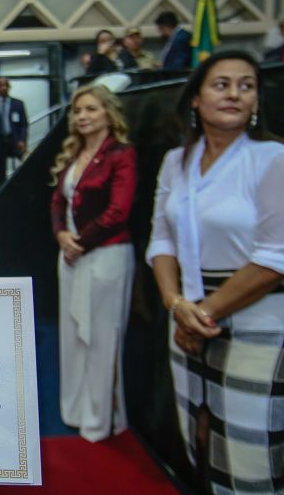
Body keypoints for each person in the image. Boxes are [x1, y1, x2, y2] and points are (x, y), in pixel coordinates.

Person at [146, 50, 284, 494]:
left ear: (257, 100)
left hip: (253, 315)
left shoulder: (272, 158)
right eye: (221, 84)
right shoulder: (175, 162)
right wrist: (177, 305)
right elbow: (161, 241)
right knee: (200, 437)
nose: (235, 93)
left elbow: (274, 259)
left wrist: (201, 313)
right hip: (188, 309)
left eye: (246, 85)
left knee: (251, 451)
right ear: (196, 99)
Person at [49, 84, 137, 443]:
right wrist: (61, 238)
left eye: (91, 110)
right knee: (72, 336)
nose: (82, 116)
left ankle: (100, 420)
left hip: (106, 256)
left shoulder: (121, 154)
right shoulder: (72, 154)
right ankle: (74, 410)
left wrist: (80, 242)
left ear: (108, 113)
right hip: (70, 256)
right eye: (78, 110)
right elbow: (56, 203)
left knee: (102, 338)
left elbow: (119, 210)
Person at [0, 77, 28, 185]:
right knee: (0, 171)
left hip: (13, 138)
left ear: (9, 87)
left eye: (5, 85)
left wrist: (22, 139)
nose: (3, 88)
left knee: (25, 161)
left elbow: (23, 124)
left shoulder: (17, 104)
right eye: (1, 86)